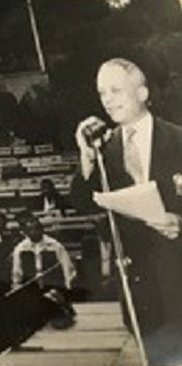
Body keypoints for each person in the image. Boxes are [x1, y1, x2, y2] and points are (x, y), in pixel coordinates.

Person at [70, 58, 182, 365]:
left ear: (143, 93)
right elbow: (80, 201)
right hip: (140, 294)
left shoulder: (178, 140)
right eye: (102, 92)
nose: (107, 99)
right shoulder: (104, 151)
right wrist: (86, 156)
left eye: (116, 90)